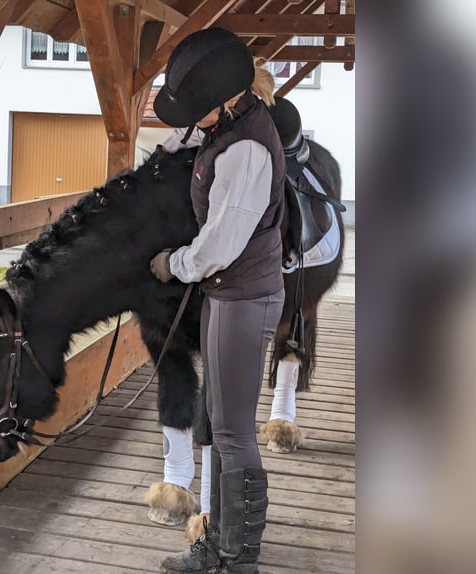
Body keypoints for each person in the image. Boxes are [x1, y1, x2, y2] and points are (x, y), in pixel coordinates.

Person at [149, 28, 286, 574]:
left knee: (232, 433)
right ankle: (218, 543)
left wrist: (174, 263)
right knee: (218, 424)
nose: (191, 120)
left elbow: (220, 246)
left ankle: (238, 559)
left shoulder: (248, 148)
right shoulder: (225, 127)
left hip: (243, 296)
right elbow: (181, 145)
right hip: (227, 297)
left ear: (228, 99)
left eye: (198, 110)